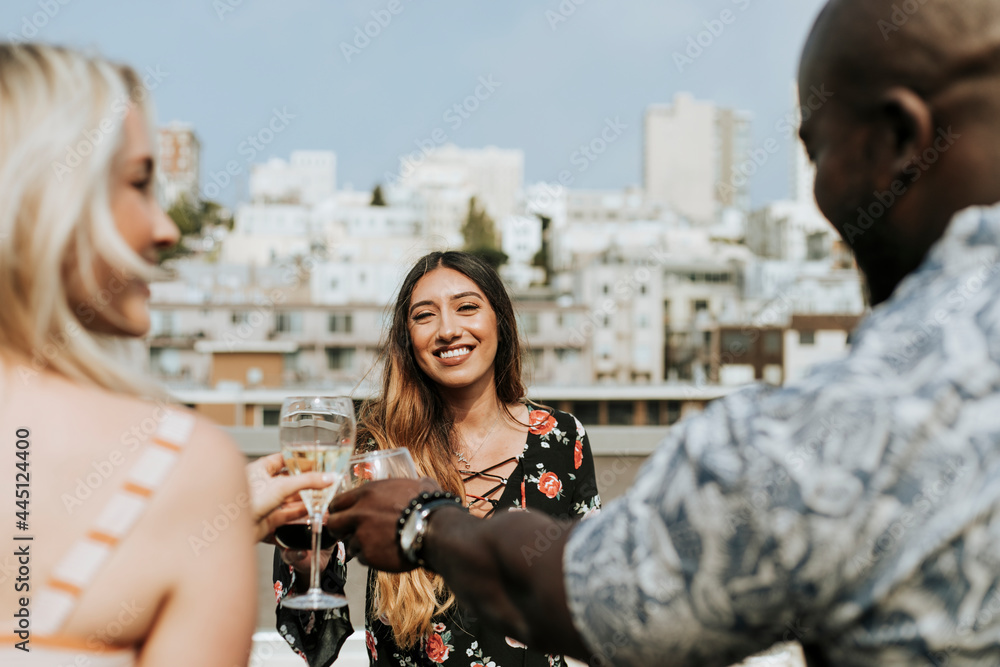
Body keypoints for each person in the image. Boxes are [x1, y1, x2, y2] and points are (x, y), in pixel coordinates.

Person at [328, 1, 1000, 665]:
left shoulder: (828, 440)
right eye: (425, 313)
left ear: (896, 140)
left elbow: (604, 604)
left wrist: (424, 523)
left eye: (817, 148)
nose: (820, 189)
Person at [0, 43, 328, 666]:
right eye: (139, 183)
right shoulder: (174, 466)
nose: (166, 227)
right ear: (49, 196)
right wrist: (200, 509)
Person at [273, 251, 602, 666]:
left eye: (466, 307)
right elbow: (314, 634)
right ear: (407, 338)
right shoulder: (375, 446)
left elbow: (596, 594)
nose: (448, 330)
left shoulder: (561, 437)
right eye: (425, 316)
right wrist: (309, 567)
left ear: (499, 320)